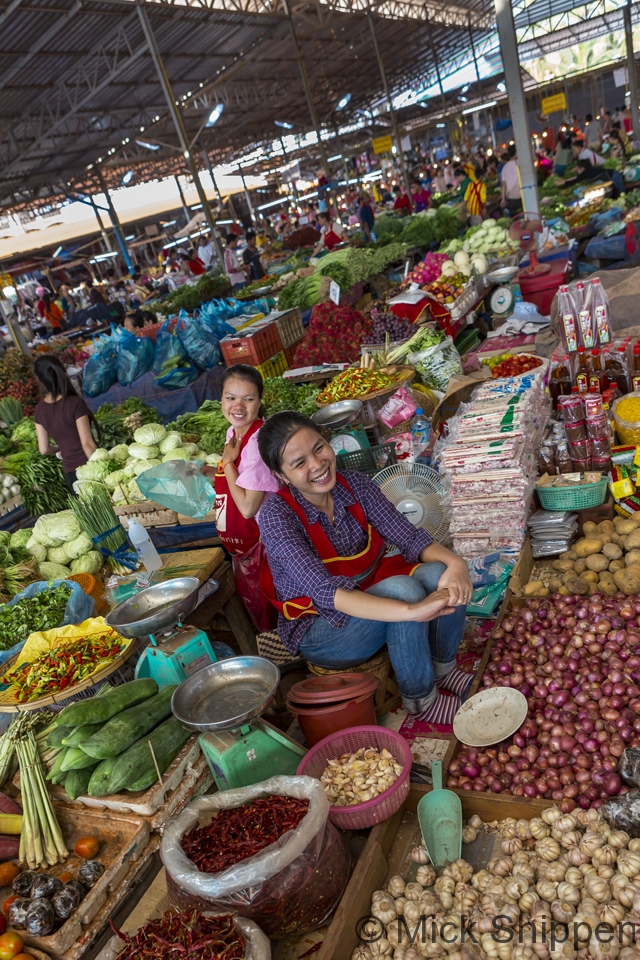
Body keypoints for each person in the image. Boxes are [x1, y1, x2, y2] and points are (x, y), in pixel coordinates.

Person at [257, 412, 472, 721]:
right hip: (321, 629)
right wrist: (412, 612)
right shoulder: (276, 516)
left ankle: (443, 669)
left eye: (319, 448)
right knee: (403, 590)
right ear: (281, 475)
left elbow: (409, 537)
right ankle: (422, 701)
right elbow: (325, 592)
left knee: (439, 573)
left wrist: (456, 563)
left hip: (364, 594)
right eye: (299, 463)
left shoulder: (356, 485)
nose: (317, 465)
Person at [200, 365, 280, 631]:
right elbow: (236, 477)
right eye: (230, 397)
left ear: (260, 400)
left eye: (248, 399)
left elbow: (248, 507)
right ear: (220, 400)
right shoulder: (234, 432)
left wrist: (228, 464)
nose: (238, 406)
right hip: (245, 548)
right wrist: (211, 472)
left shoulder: (260, 442)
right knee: (260, 609)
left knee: (276, 607)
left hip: (267, 546)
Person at [33, 355, 97, 490]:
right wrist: (101, 471)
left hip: (71, 474)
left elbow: (44, 449)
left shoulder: (39, 410)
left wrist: (61, 448)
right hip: (89, 468)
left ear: (40, 380)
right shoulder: (75, 403)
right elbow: (87, 444)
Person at [501, 146, 522, 216]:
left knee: (515, 220)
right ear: (516, 153)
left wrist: (503, 199)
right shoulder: (520, 164)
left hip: (511, 199)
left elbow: (503, 185)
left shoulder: (505, 167)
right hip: (522, 196)